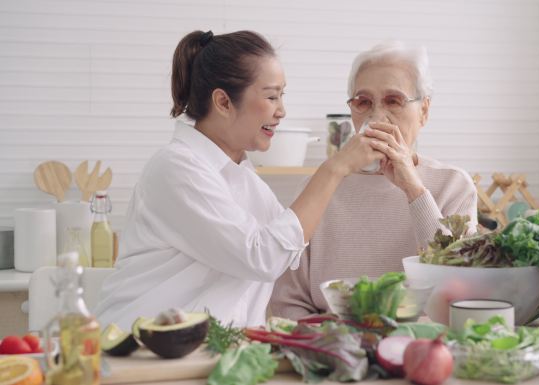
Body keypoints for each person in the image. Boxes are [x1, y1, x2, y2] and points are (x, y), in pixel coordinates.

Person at [95, 30, 388, 329]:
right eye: (271, 96)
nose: (282, 110)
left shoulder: (243, 177)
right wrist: (335, 167)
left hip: (206, 353)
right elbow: (263, 257)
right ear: (223, 102)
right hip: (139, 351)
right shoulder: (175, 169)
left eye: (281, 96)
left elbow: (290, 251)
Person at [270, 41, 478, 319]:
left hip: (421, 345)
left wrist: (413, 188)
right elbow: (287, 303)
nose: (377, 115)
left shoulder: (454, 186)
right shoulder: (319, 187)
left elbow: (459, 285)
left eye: (393, 100)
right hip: (332, 347)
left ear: (424, 111)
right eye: (363, 102)